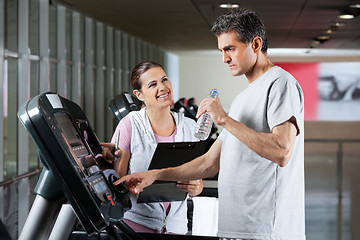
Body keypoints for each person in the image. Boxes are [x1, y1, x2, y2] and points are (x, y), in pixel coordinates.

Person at [116, 9, 306, 240]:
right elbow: (209, 162)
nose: (224, 58)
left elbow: (282, 151)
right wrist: (155, 175)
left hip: (266, 230)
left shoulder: (280, 83)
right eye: (221, 51)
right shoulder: (242, 98)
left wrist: (224, 119)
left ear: (256, 44)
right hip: (237, 227)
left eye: (230, 49)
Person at [101, 61, 203, 234]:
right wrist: (131, 183)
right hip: (136, 228)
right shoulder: (130, 125)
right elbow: (117, 184)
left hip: (176, 229)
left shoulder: (189, 126)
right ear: (139, 94)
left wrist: (196, 187)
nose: (162, 87)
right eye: (153, 84)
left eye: (164, 80)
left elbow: (197, 177)